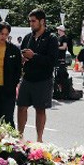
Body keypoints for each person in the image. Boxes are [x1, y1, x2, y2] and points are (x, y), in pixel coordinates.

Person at [18, 9, 59, 142]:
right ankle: (20, 136)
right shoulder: (27, 38)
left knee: (40, 110)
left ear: (42, 21)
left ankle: (39, 139)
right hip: (27, 79)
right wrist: (22, 59)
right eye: (30, 21)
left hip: (43, 80)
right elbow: (22, 54)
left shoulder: (51, 38)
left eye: (33, 21)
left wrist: (34, 56)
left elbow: (52, 61)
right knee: (21, 107)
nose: (31, 24)